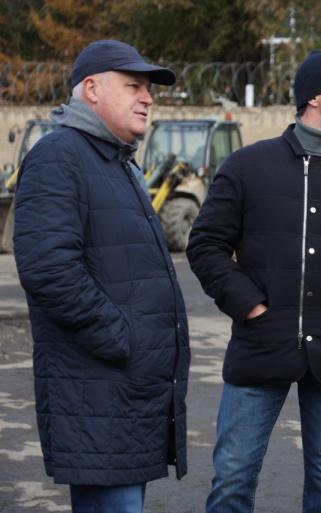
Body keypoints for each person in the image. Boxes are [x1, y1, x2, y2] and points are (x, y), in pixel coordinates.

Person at [186, 51, 321, 513]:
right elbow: (206, 245)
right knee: (233, 475)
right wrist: (250, 306)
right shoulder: (247, 166)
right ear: (314, 96)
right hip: (260, 345)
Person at [13, 40, 190, 513]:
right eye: (134, 86)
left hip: (125, 394)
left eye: (149, 89)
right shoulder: (59, 157)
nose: (147, 98)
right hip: (99, 391)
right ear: (91, 89)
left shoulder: (115, 162)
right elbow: (48, 269)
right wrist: (121, 338)